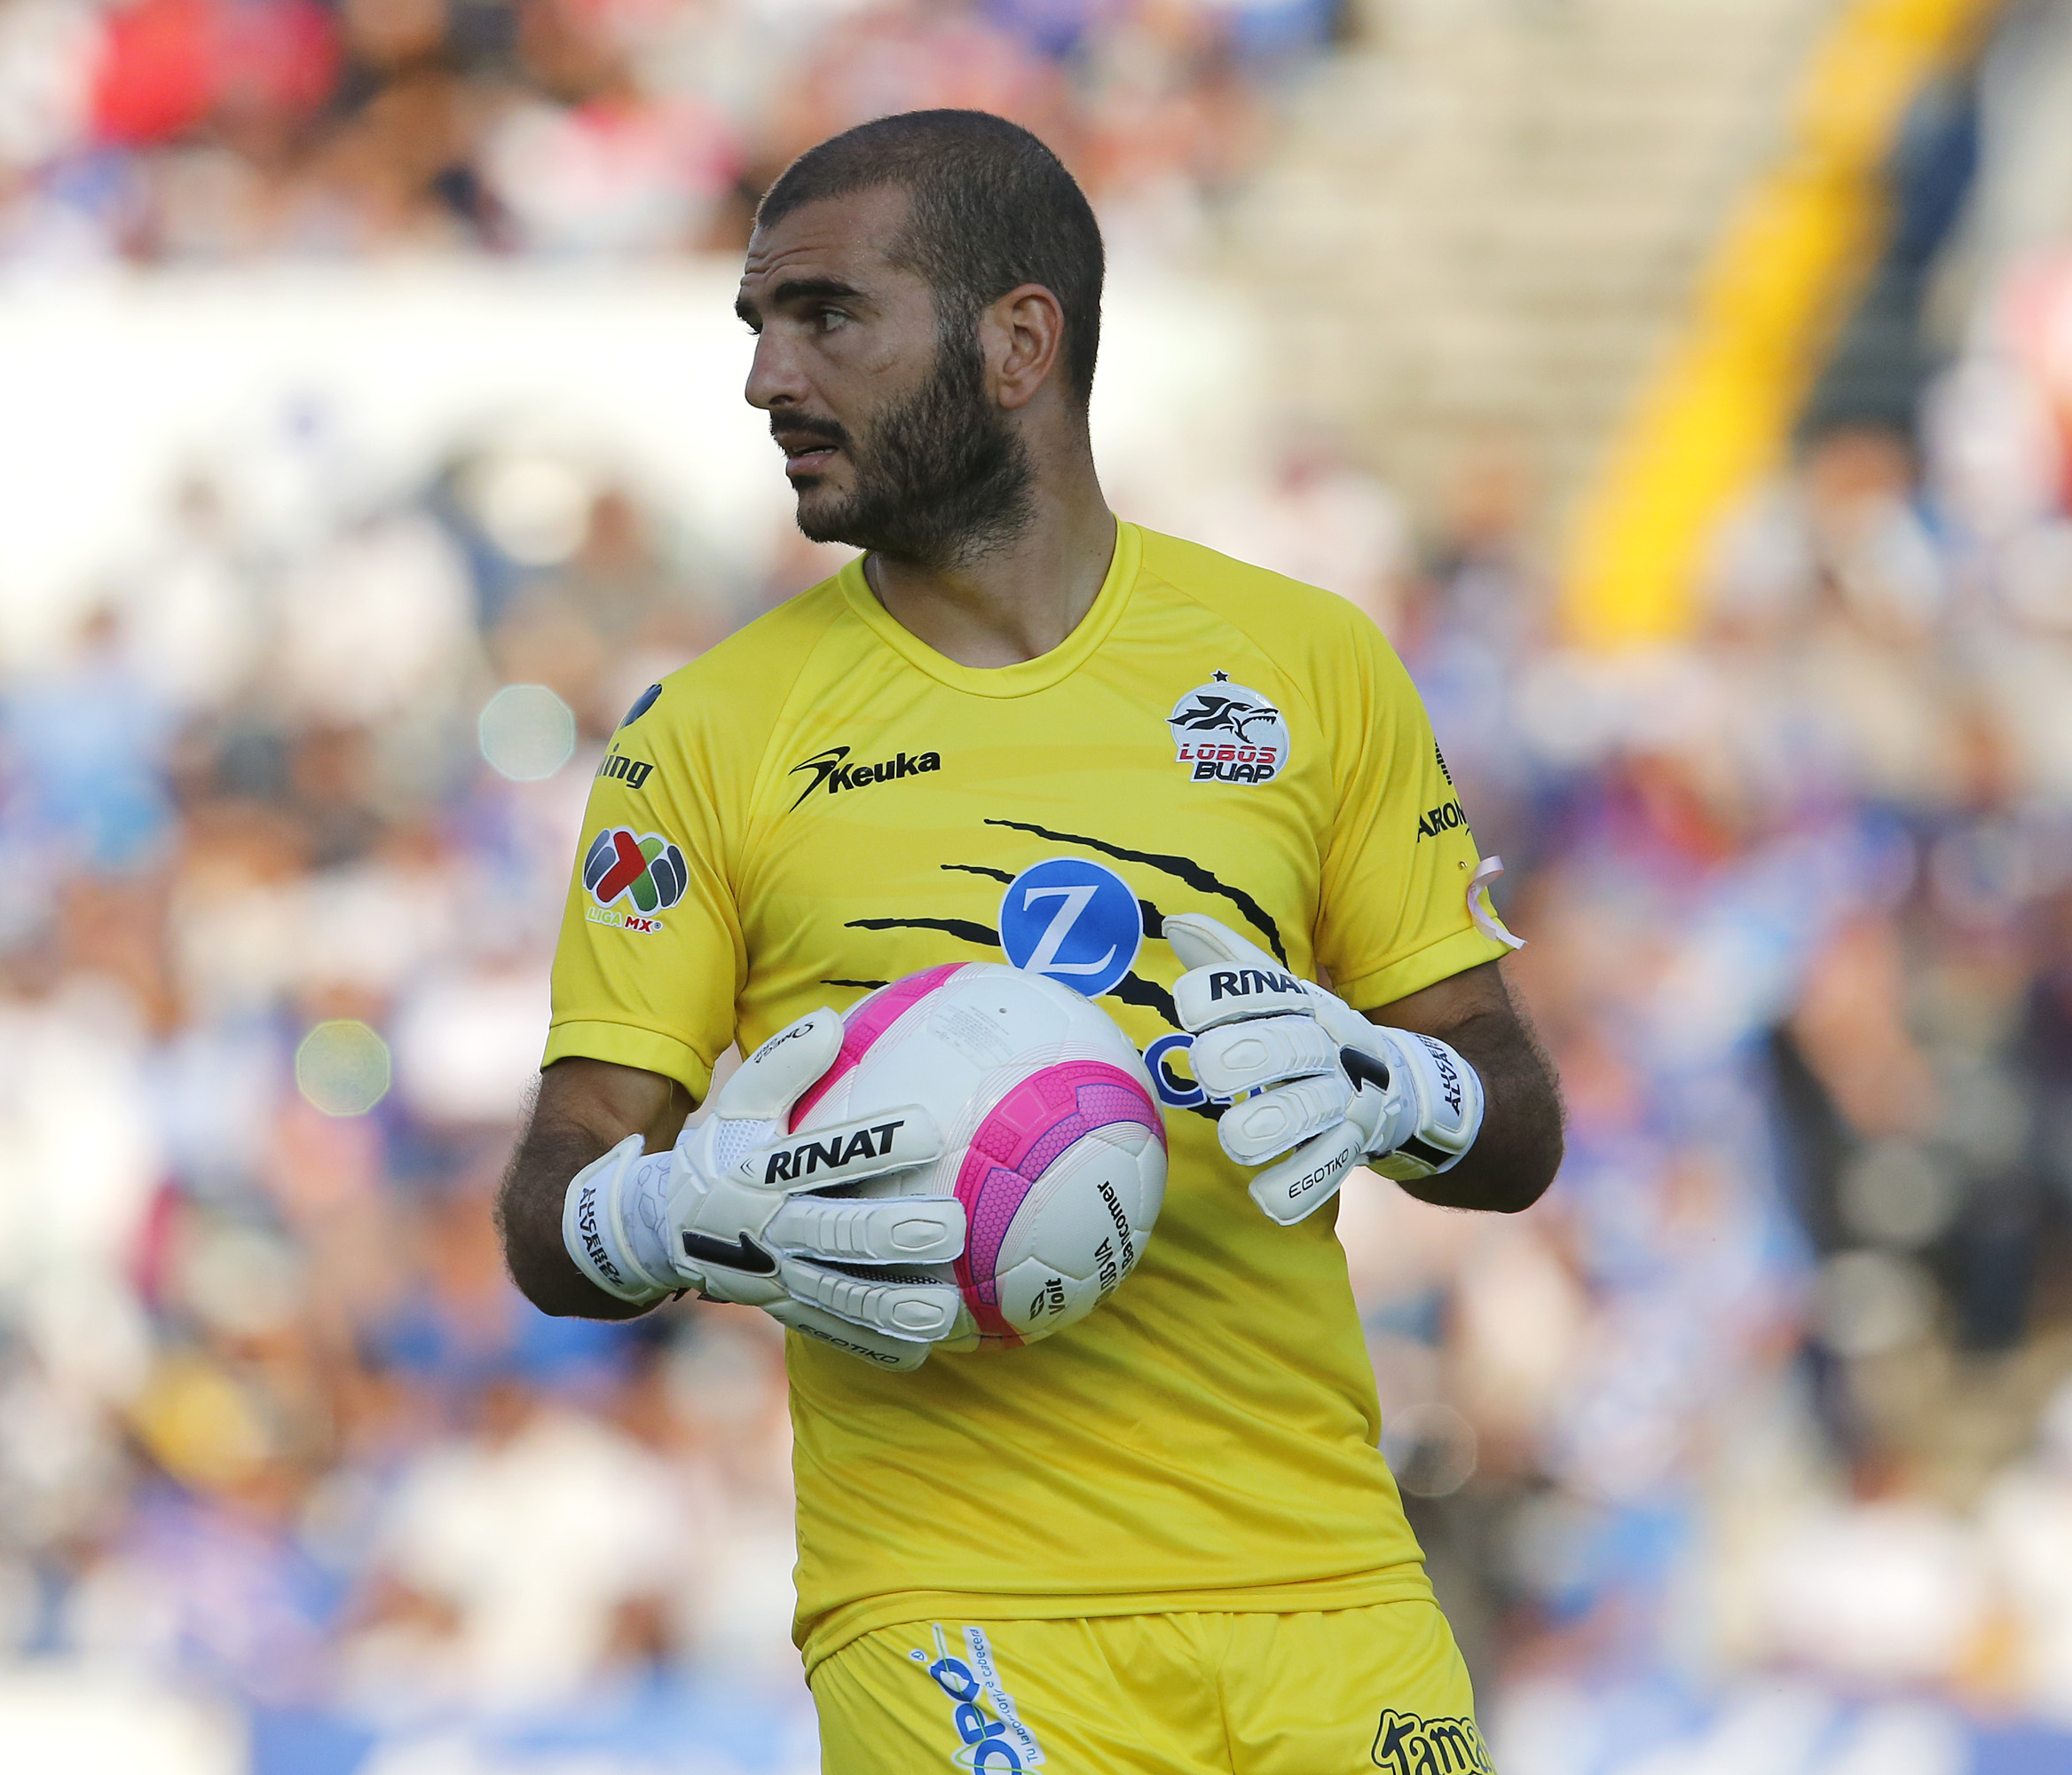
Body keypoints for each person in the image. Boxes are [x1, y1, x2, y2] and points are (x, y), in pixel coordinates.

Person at [496, 109, 1563, 1772]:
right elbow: (554, 1199)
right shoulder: (703, 739)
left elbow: (1512, 1127)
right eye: (758, 325)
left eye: (828, 315)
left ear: (1017, 341)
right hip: (952, 1613)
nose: (769, 379)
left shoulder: (1310, 665)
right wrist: (659, 1211)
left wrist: (1393, 1085)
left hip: (1333, 1593)